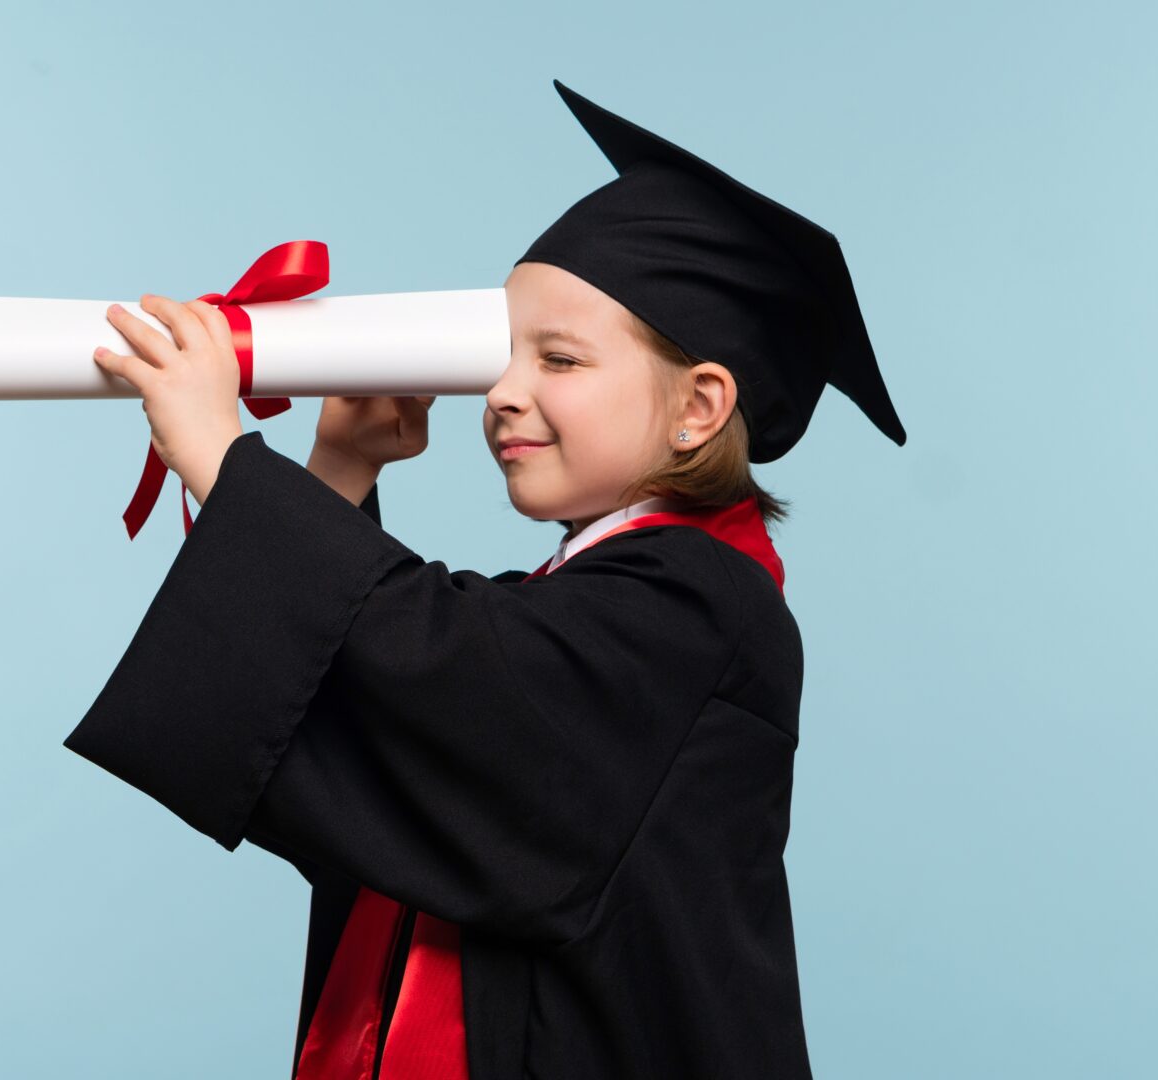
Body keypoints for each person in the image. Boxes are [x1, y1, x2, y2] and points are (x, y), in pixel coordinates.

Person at [65, 79, 905, 1079]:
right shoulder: (565, 606)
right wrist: (341, 473)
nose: (504, 393)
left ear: (698, 408)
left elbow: (456, 685)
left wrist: (223, 455)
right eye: (503, 356)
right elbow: (382, 763)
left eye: (560, 359)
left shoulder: (703, 607)